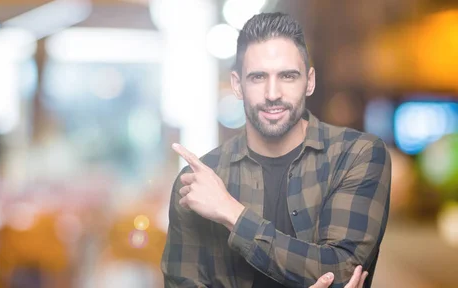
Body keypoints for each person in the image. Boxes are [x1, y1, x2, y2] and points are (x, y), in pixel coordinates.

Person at [161, 12, 391, 288]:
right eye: (258, 77)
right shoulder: (196, 184)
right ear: (237, 85)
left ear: (310, 81)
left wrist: (231, 212)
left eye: (287, 76)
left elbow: (341, 270)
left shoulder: (356, 155)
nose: (272, 93)